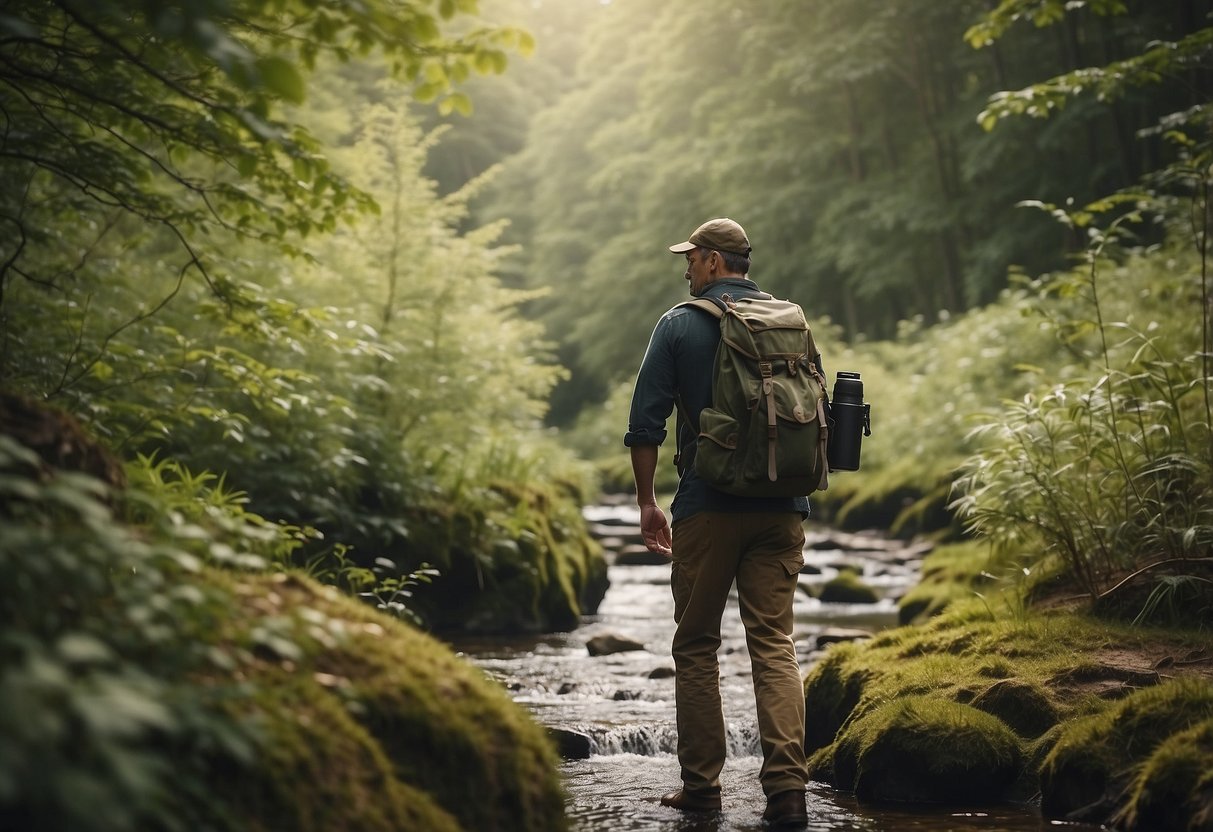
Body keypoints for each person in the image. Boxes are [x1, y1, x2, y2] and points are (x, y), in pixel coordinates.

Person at [624, 218, 811, 828]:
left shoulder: (680, 323)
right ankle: (787, 790)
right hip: (782, 507)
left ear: (710, 262)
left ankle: (703, 790)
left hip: (707, 506)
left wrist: (649, 502)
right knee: (774, 644)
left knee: (698, 644)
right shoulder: (790, 321)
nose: (686, 269)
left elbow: (645, 423)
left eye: (691, 259)